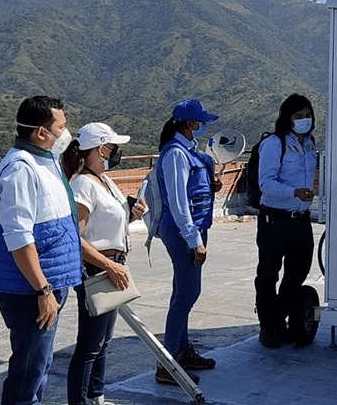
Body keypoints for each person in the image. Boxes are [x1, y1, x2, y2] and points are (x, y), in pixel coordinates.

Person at [0, 96, 82, 405]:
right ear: (42, 132)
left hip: (50, 283)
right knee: (28, 371)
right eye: (61, 127)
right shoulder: (20, 170)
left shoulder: (46, 160)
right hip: (32, 292)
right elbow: (18, 237)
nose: (66, 133)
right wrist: (44, 289)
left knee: (39, 367)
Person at [62, 123, 146, 405]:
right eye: (112, 147)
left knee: (103, 342)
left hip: (114, 266)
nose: (116, 152)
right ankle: (80, 401)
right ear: (101, 148)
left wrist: (132, 215)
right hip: (99, 268)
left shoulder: (104, 180)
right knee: (89, 345)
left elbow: (108, 224)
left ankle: (95, 395)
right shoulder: (84, 184)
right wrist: (109, 266)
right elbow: (76, 236)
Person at [153, 99, 220, 385]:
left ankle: (182, 350)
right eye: (201, 121)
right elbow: (179, 202)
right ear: (190, 124)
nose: (204, 125)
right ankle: (167, 363)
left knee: (181, 291)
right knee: (188, 293)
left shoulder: (189, 152)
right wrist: (194, 240)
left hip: (191, 229)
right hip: (183, 231)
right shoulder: (176, 154)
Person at [255, 94, 317, 348]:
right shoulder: (274, 143)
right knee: (268, 275)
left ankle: (278, 319)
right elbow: (265, 183)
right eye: (298, 116)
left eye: (307, 115)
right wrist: (293, 192)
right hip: (275, 220)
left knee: (298, 272)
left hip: (300, 219)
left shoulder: (310, 144)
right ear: (287, 118)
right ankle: (268, 327)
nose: (304, 120)